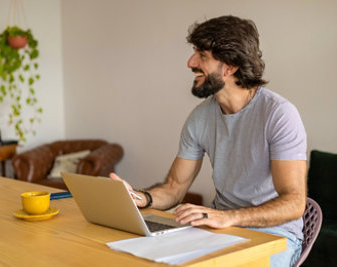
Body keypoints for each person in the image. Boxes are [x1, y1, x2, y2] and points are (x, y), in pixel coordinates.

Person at [110, 15, 306, 266]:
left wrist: (229, 217)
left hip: (275, 235)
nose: (190, 62)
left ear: (230, 66)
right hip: (218, 229)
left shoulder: (279, 114)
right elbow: (173, 188)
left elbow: (294, 203)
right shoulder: (200, 117)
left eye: (202, 55)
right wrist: (140, 198)